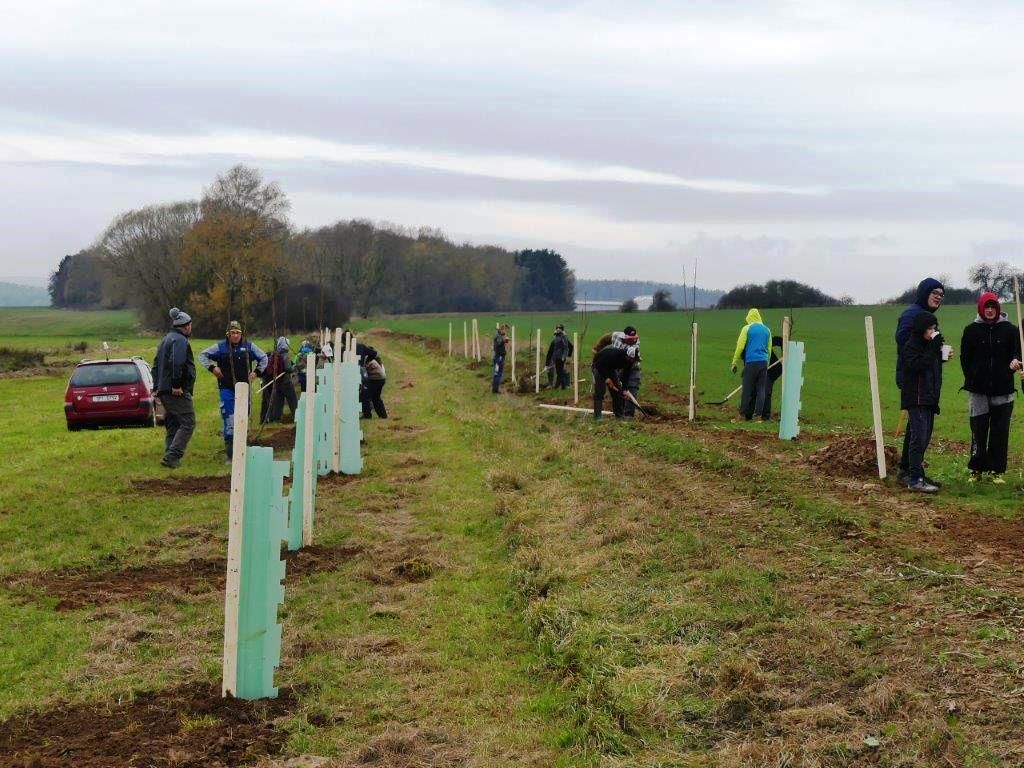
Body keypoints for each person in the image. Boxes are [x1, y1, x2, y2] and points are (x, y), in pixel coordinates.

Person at [960, 292, 1022, 480]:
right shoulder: (971, 330)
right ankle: (976, 469)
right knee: (978, 430)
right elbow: (965, 359)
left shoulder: (1010, 330)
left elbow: (1018, 353)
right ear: (980, 308)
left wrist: (1015, 362)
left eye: (993, 307)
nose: (989, 310)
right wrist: (972, 377)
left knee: (1000, 431)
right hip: (978, 391)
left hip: (1003, 391)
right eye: (986, 307)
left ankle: (997, 470)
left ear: (998, 309)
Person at [895, 278, 945, 483]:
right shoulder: (911, 314)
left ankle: (912, 470)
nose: (938, 297)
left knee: (921, 429)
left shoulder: (924, 316)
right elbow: (906, 344)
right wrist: (931, 348)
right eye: (934, 292)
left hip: (927, 379)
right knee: (919, 429)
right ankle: (909, 473)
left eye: (941, 295)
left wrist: (939, 352)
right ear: (923, 293)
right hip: (915, 380)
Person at [198, 321, 268, 461]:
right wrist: (213, 368)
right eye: (233, 333)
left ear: (241, 334)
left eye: (238, 333)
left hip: (244, 388)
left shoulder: (248, 346)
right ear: (228, 334)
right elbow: (202, 355)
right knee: (230, 419)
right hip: (227, 388)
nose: (235, 336)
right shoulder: (220, 348)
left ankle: (244, 450)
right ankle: (230, 454)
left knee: (243, 417)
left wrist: (257, 372)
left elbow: (264, 357)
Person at [152, 307, 197, 469]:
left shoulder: (165, 339)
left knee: (173, 424)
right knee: (188, 422)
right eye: (191, 325)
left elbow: (156, 365)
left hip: (164, 390)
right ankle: (173, 456)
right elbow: (177, 362)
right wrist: (177, 385)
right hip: (175, 390)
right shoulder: (180, 340)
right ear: (186, 326)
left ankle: (168, 456)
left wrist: (156, 387)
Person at [730, 309, 772, 421]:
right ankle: (758, 416)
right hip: (763, 362)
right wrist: (767, 362)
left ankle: (742, 415)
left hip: (751, 362)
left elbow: (740, 346)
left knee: (747, 389)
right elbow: (769, 348)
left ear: (749, 317)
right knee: (761, 389)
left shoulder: (747, 328)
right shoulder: (767, 330)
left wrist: (734, 362)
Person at [592, 332, 637, 418]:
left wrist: (625, 389)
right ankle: (597, 416)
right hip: (598, 366)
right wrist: (607, 378)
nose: (634, 361)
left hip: (610, 368)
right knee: (600, 392)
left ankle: (619, 415)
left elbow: (625, 376)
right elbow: (599, 364)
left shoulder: (630, 362)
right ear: (628, 357)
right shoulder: (616, 354)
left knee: (618, 391)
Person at [266, 336, 298, 423]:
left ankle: (275, 419)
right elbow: (288, 368)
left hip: (277, 382)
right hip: (286, 382)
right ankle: (297, 417)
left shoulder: (275, 353)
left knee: (278, 402)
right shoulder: (285, 354)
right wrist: (294, 366)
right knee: (292, 400)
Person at [360, 354, 388, 419]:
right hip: (381, 378)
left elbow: (363, 371)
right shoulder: (368, 358)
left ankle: (367, 415)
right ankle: (383, 415)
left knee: (365, 396)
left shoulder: (364, 359)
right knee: (376, 398)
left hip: (375, 378)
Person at [545, 324, 572, 389]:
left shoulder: (564, 339)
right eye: (557, 328)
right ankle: (557, 385)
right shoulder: (554, 341)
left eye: (559, 328)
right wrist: (547, 363)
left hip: (561, 358)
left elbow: (569, 347)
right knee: (557, 371)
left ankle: (562, 386)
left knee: (562, 371)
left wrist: (567, 356)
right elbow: (550, 352)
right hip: (555, 358)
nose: (557, 329)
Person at [492, 325, 509, 393]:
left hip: (498, 357)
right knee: (498, 373)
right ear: (501, 330)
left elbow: (499, 343)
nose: (505, 332)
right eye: (504, 330)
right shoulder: (498, 337)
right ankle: (495, 389)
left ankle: (495, 388)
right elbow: (499, 343)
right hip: (499, 358)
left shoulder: (498, 336)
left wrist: (504, 341)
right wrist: (504, 340)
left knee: (497, 373)